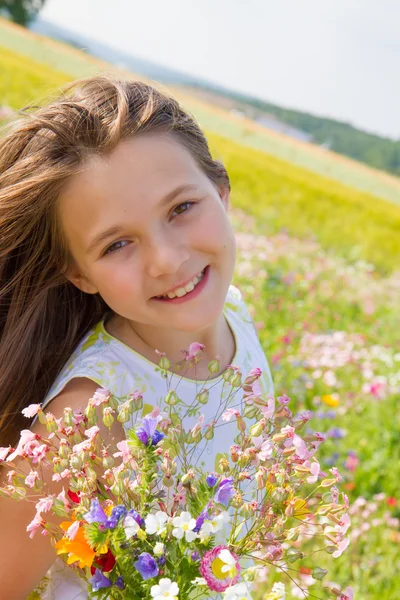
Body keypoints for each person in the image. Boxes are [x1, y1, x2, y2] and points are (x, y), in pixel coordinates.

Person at [0, 76, 273, 599]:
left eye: (181, 208)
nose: (167, 260)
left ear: (221, 191)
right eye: (117, 243)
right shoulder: (83, 422)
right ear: (77, 273)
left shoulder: (236, 316)